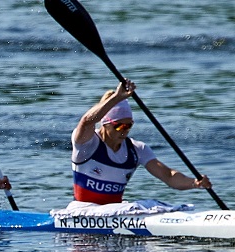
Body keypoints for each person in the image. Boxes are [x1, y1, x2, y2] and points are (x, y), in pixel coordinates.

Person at [72, 79, 211, 204]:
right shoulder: (87, 144)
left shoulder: (137, 149)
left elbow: (168, 176)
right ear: (105, 123)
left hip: (114, 215)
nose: (125, 131)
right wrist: (116, 98)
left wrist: (194, 183)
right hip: (83, 213)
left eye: (129, 125)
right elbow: (87, 121)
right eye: (120, 126)